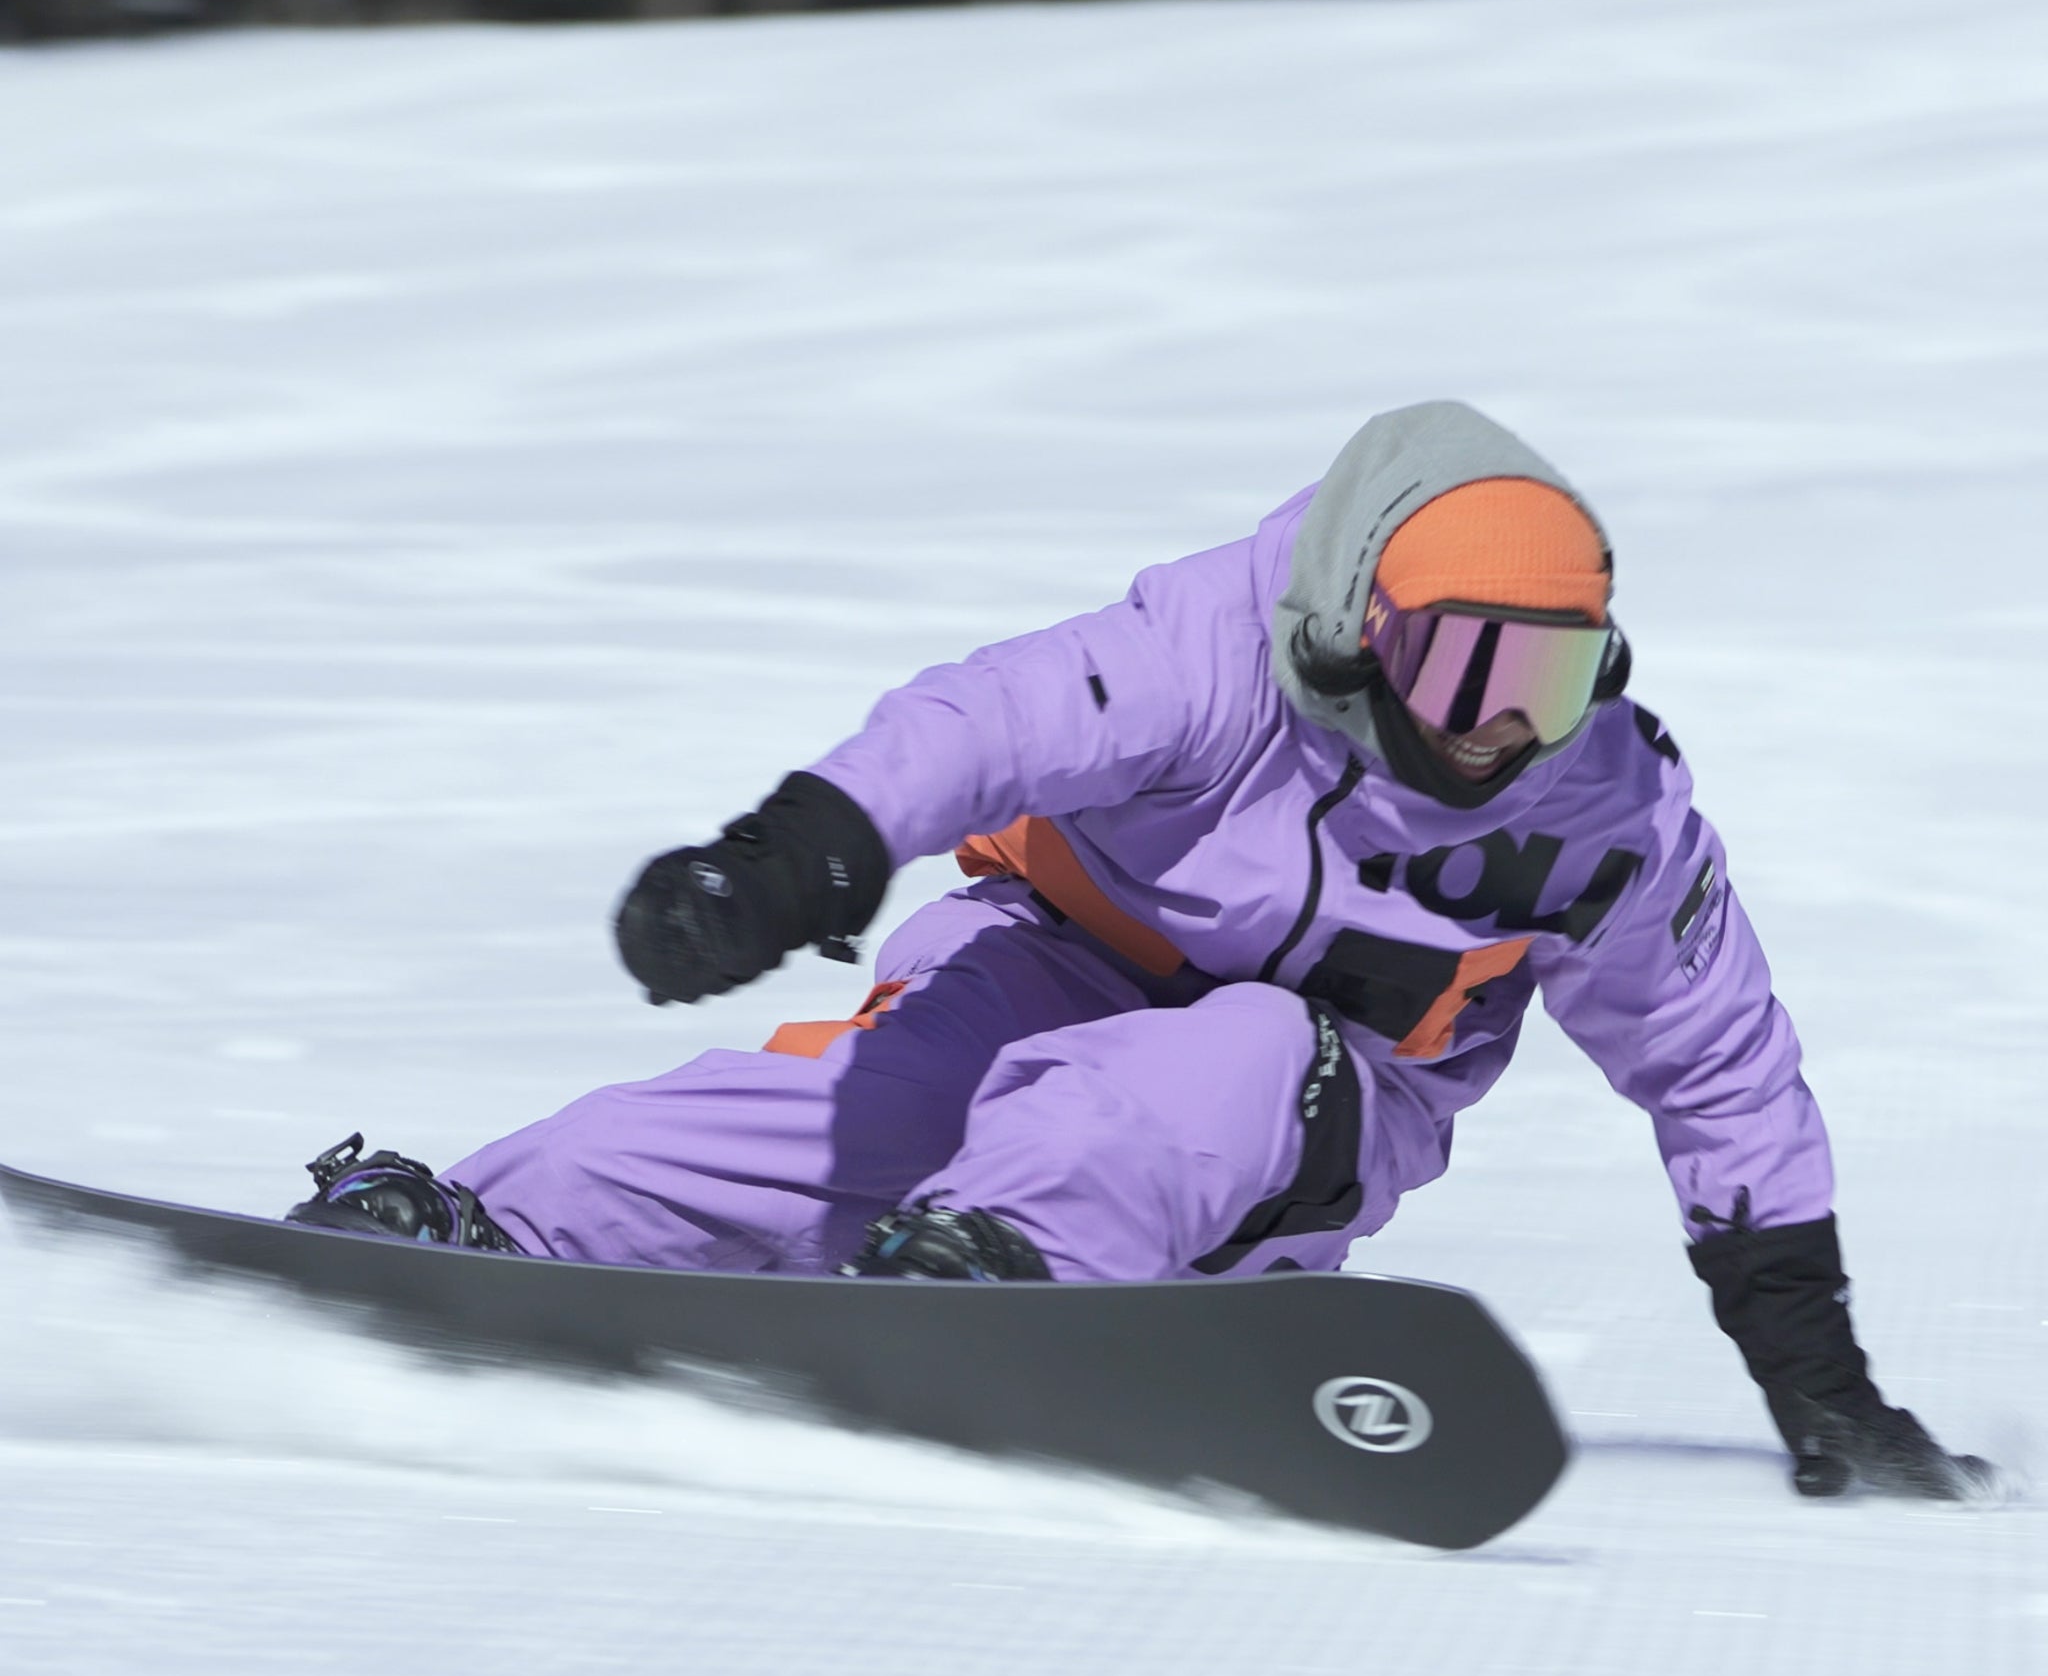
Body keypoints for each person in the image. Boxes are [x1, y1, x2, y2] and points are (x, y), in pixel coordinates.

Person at [288, 400, 1989, 1502]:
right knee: (840, 1117)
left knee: (1219, 1060)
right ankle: (504, 1222)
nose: (1496, 732)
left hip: (1315, 1102)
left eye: (1544, 681)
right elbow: (994, 719)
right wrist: (787, 853)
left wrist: (1814, 1370)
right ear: (1355, 628)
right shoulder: (1217, 649)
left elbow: (1719, 1065)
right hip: (1052, 963)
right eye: (1462, 672)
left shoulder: (1601, 810)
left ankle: (1005, 1278)